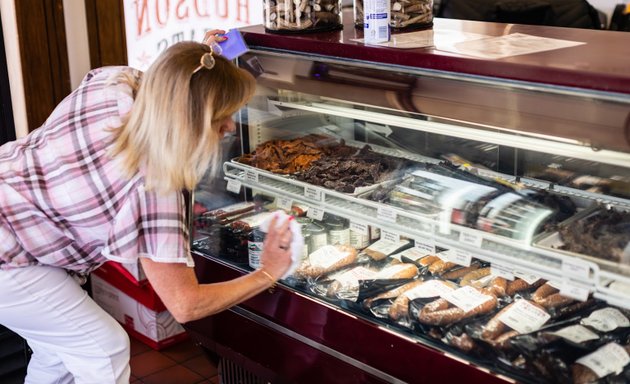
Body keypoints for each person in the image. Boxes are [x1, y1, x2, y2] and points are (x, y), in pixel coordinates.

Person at [0, 30, 294, 384]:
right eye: (222, 116)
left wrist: (200, 63)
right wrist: (267, 272)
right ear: (194, 119)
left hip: (16, 221)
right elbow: (185, 304)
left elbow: (167, 81)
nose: (231, 127)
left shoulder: (116, 87)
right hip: (9, 258)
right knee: (101, 350)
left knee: (58, 351)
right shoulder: (155, 186)